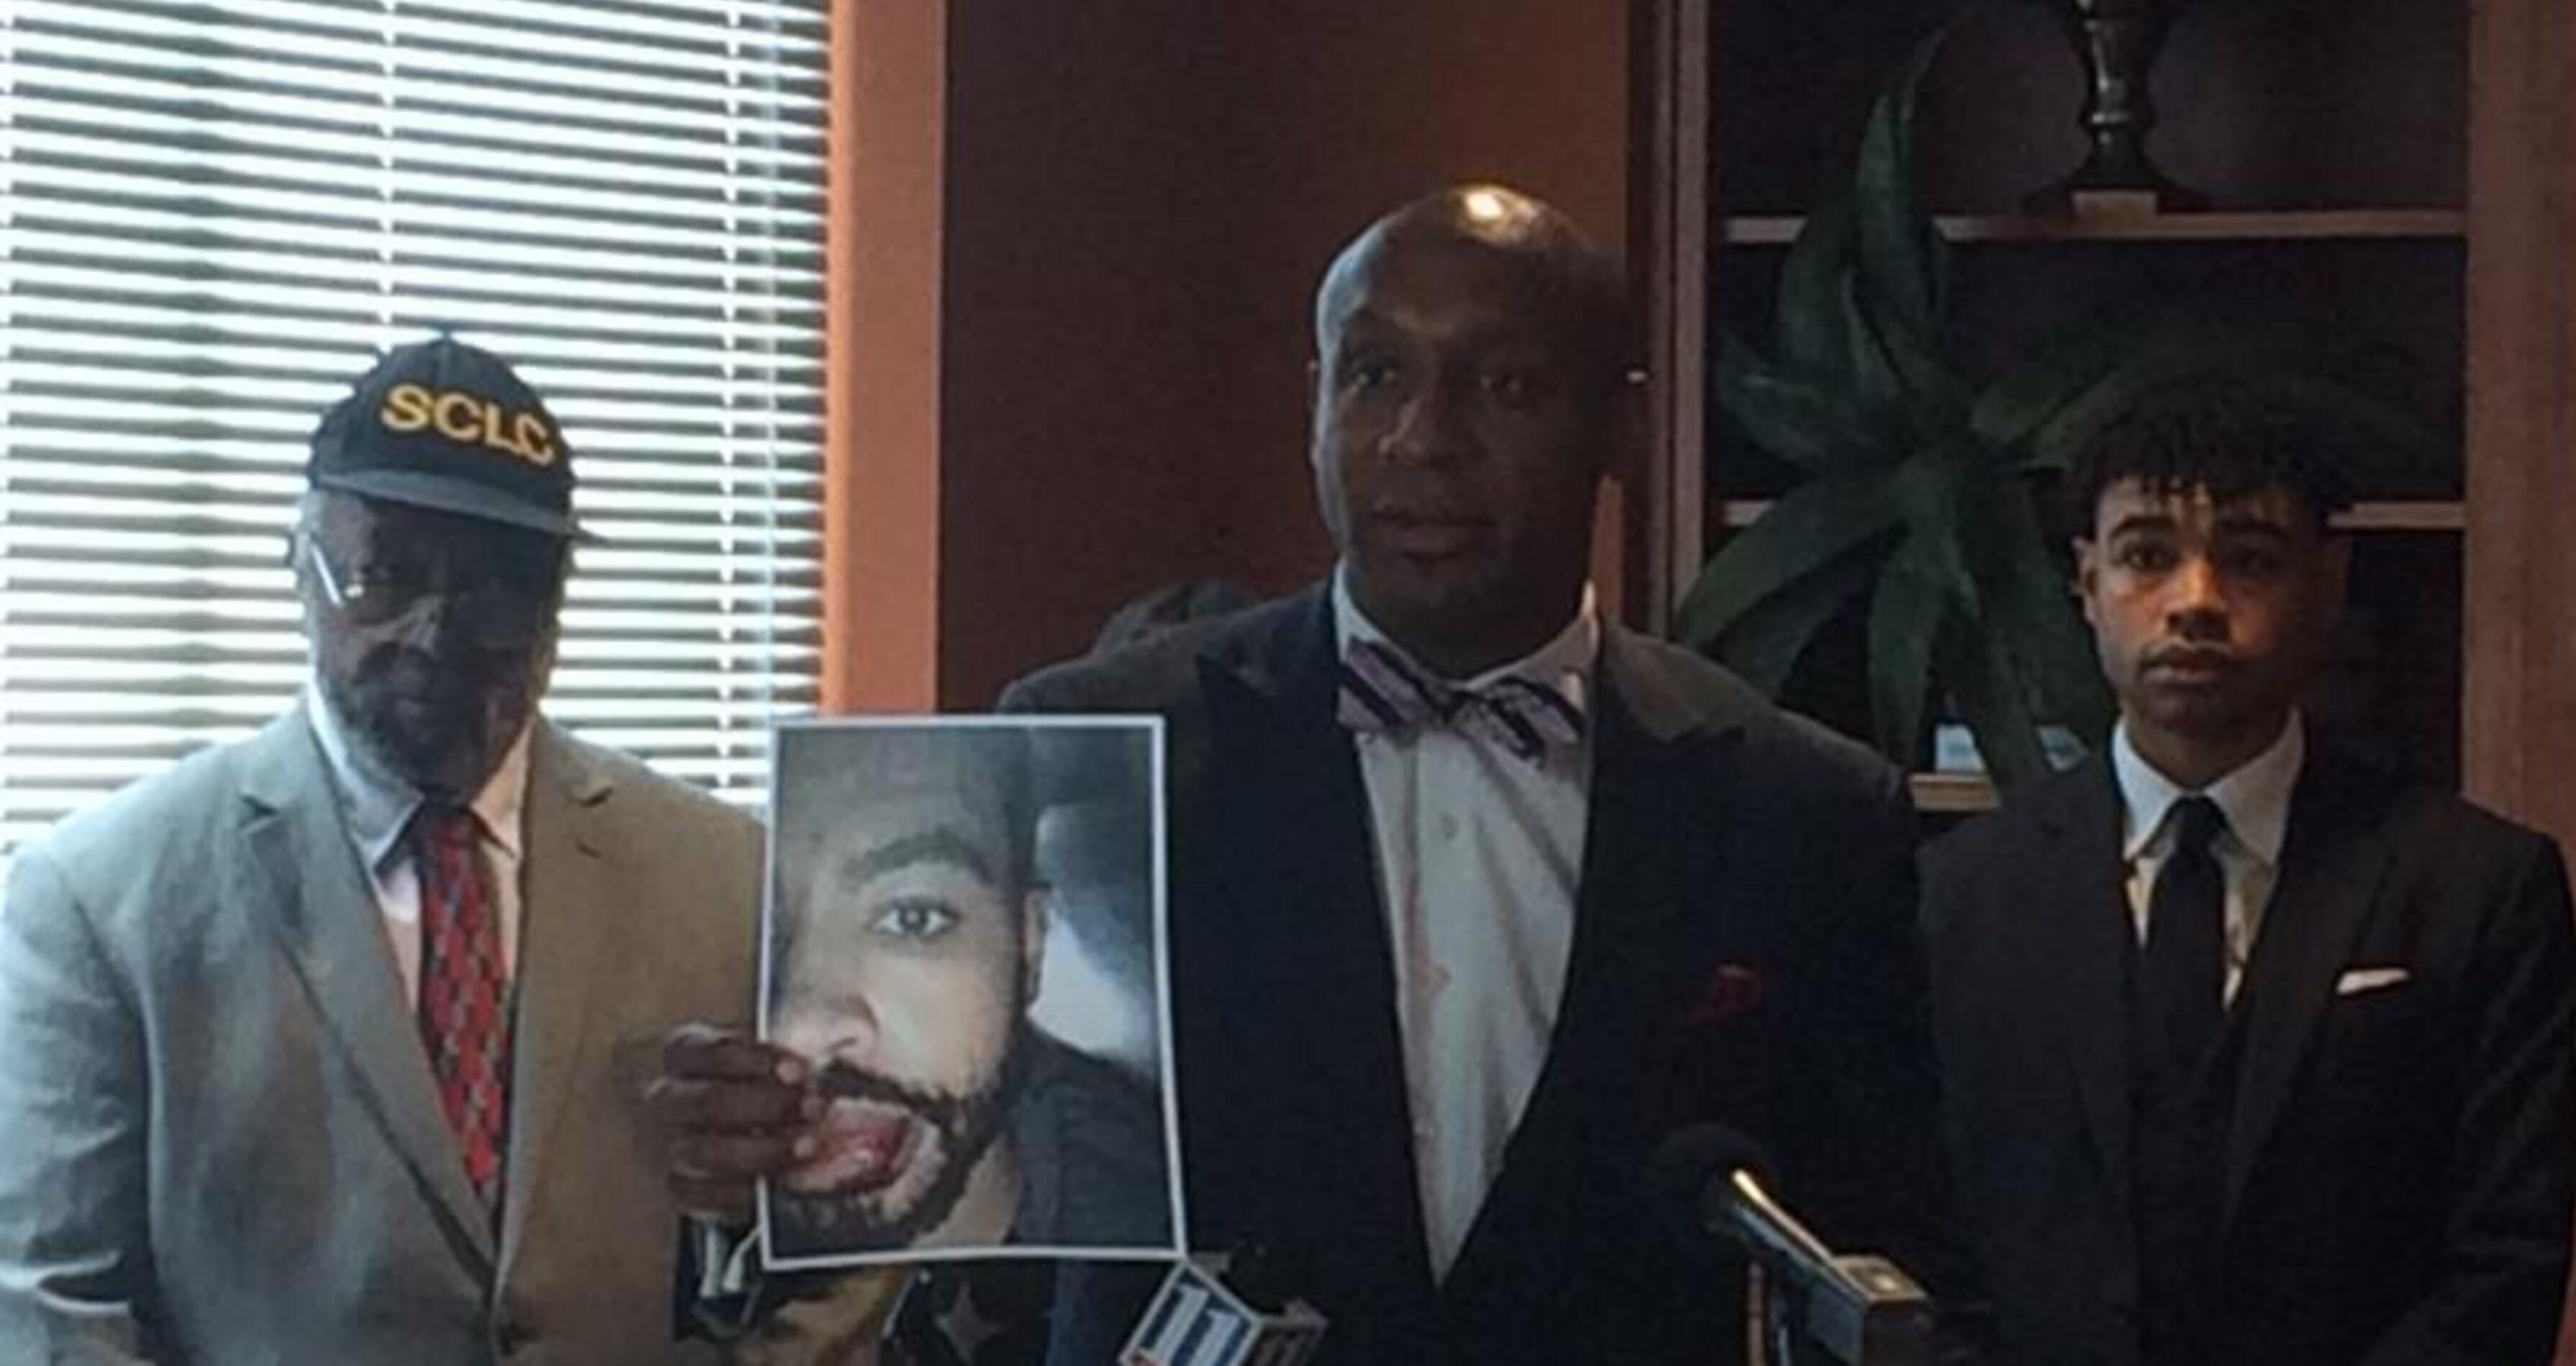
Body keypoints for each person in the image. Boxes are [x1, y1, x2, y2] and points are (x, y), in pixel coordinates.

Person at [653, 182, 1951, 1365]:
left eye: (1502, 388)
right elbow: (969, 1210)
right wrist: (757, 1165)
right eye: (1376, 376)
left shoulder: (1800, 810)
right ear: (1314, 403)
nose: (1420, 442)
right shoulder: (1099, 753)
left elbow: (1874, 1241)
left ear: (1617, 420)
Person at [0, 335, 768, 1362]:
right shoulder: (97, 903)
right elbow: (55, 1313)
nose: (434, 632)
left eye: (496, 589)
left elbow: (822, 1249)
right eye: (385, 575)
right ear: (300, 564)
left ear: (556, 609)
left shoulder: (728, 878)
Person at [1920, 380, 2576, 1366]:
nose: (2196, 601)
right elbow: (1914, 1243)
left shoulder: (2478, 888)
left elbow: (2506, 1263)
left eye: (2250, 559)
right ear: (2086, 581)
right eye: (2148, 555)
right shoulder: (1958, 895)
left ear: (2330, 580)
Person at [763, 721, 1169, 1259]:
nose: (799, 1027)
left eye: (912, 919)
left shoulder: (1154, 1216)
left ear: (1030, 945)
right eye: (767, 924)